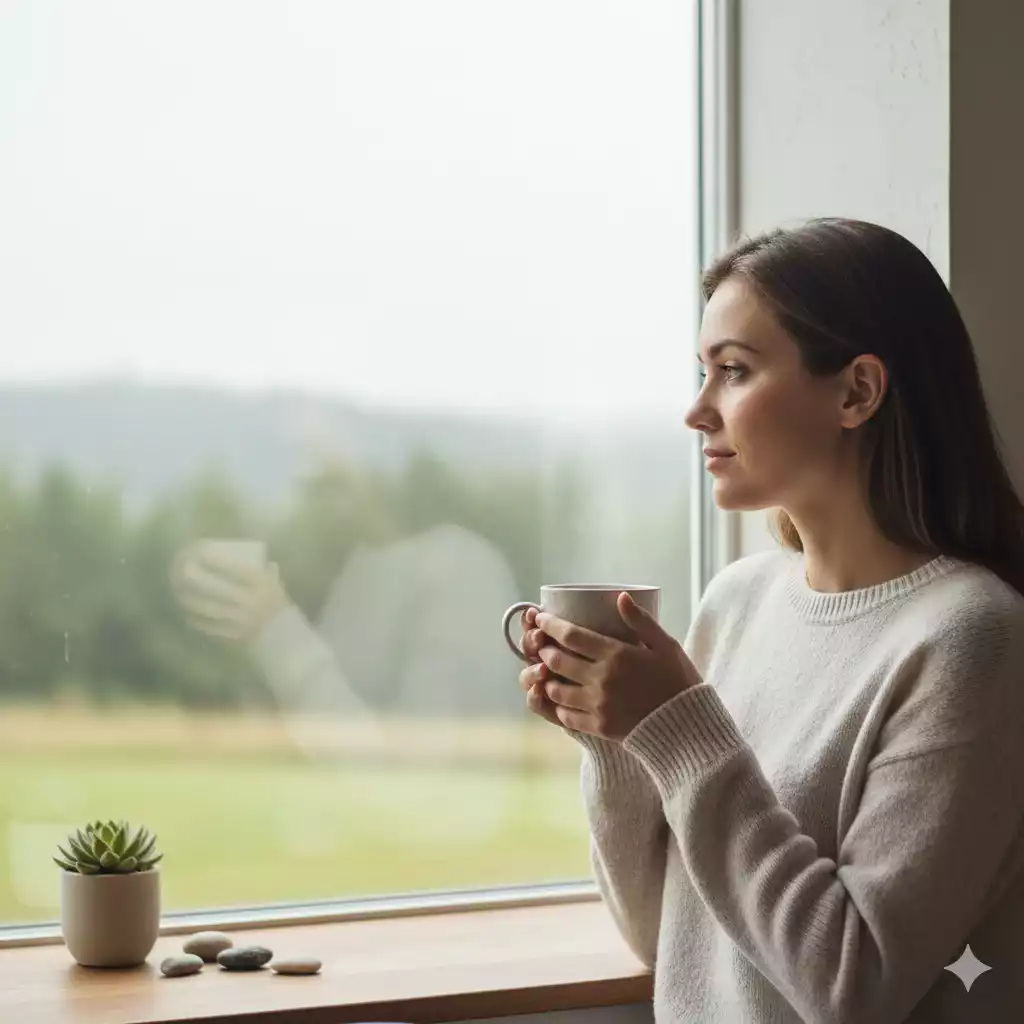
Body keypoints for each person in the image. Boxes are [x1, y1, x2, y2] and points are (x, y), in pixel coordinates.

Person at [517, 218, 1024, 1022]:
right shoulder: (738, 600)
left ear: (856, 392)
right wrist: (618, 745)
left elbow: (854, 989)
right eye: (704, 372)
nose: (697, 411)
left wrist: (678, 730)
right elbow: (669, 942)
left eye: (734, 371)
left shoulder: (970, 637)